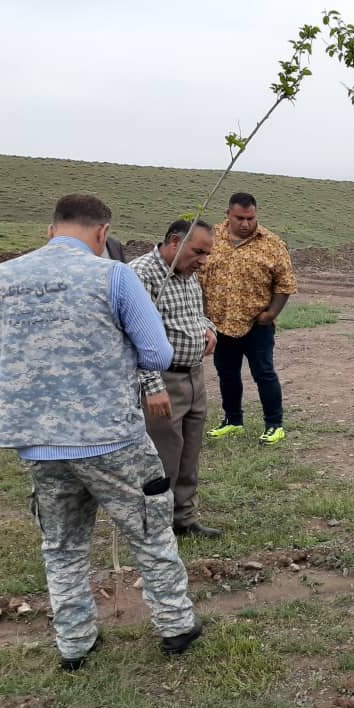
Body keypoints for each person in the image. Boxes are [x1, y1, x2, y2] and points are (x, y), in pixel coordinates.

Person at [0, 194, 202, 670]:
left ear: (51, 230)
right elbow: (158, 354)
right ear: (104, 234)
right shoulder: (114, 275)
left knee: (61, 545)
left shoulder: (0, 278)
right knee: (149, 529)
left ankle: (75, 642)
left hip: (38, 441)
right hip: (109, 437)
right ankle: (176, 625)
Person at [129, 219, 222, 538]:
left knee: (189, 453)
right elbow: (133, 337)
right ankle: (155, 525)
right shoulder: (141, 274)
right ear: (173, 242)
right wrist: (153, 388)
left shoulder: (188, 273)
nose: (203, 261)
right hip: (163, 382)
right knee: (162, 457)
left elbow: (194, 314)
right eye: (198, 252)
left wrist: (208, 328)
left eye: (207, 254)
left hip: (194, 377)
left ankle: (184, 518)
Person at [199, 192, 297, 446]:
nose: (245, 223)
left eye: (250, 218)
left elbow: (285, 284)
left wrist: (271, 313)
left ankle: (274, 424)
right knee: (226, 373)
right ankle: (233, 421)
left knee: (264, 373)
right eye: (239, 218)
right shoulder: (212, 238)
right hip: (220, 322)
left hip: (256, 324)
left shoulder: (272, 243)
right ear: (228, 215)